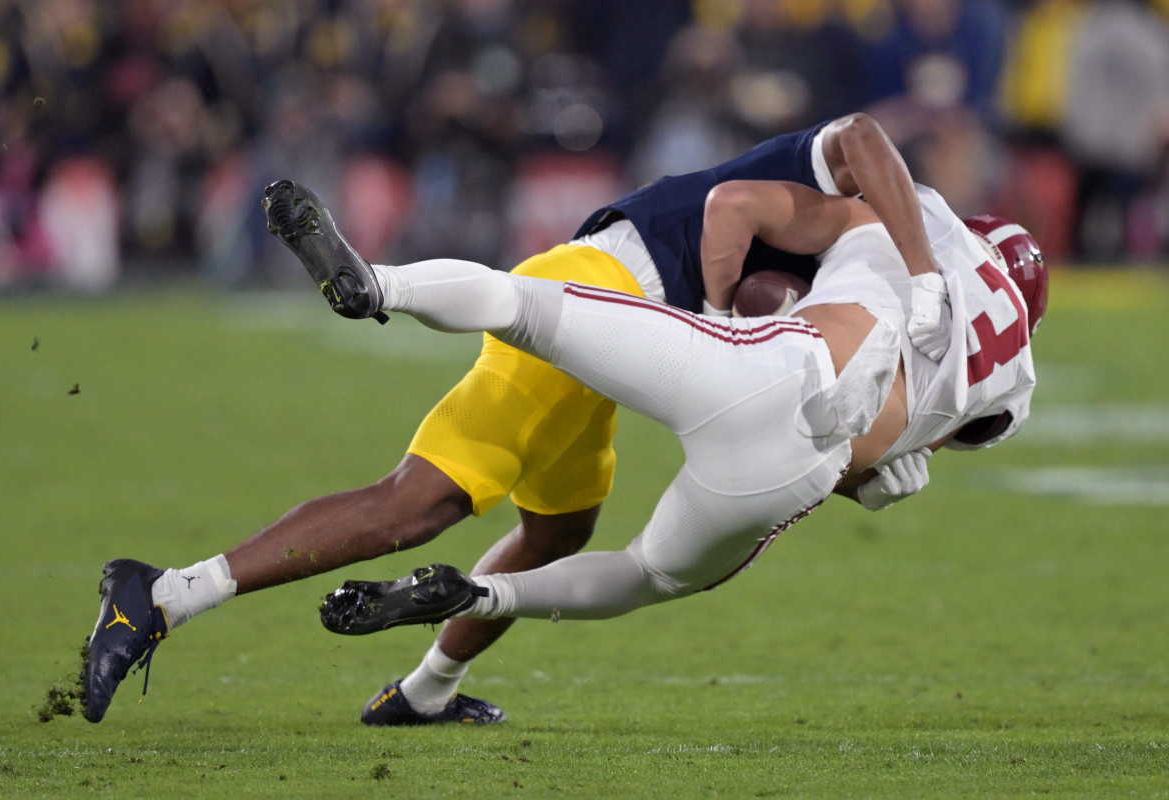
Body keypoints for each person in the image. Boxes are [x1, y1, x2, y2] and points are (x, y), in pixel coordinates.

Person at [79, 113, 963, 725]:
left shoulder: (858, 258)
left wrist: (862, 464)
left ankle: (426, 692)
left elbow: (790, 413)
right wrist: (756, 313)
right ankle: (163, 593)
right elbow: (843, 152)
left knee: (558, 529)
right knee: (416, 504)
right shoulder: (858, 215)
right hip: (615, 287)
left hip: (627, 320)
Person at [298, 178, 1043, 661]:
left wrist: (734, 308)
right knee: (646, 574)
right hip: (798, 472)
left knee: (523, 304)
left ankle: (377, 285)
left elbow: (741, 205)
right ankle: (482, 596)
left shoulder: (916, 218)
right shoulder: (1015, 384)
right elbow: (939, 433)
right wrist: (883, 476)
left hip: (772, 362)